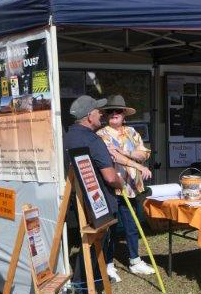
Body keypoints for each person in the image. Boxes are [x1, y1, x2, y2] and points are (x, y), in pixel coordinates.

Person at [63, 96, 124, 284]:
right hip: (98, 199)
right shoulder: (93, 140)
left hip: (76, 197)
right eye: (98, 111)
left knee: (89, 240)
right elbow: (110, 177)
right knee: (96, 240)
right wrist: (120, 183)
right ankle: (85, 280)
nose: (102, 114)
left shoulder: (67, 136)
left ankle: (90, 276)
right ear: (89, 116)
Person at [96, 94, 155, 279]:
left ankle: (135, 260)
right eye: (110, 112)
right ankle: (108, 263)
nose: (114, 114)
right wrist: (137, 164)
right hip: (112, 185)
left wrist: (127, 152)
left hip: (131, 186)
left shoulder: (132, 132)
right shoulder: (101, 134)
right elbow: (114, 157)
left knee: (131, 224)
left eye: (118, 111)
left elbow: (144, 153)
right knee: (111, 226)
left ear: (123, 115)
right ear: (106, 115)